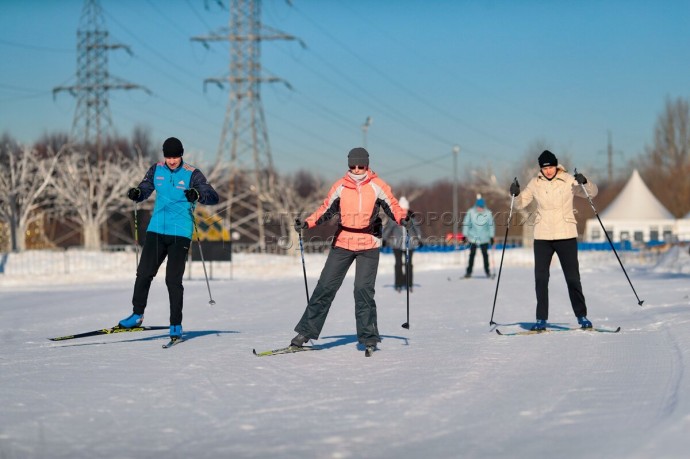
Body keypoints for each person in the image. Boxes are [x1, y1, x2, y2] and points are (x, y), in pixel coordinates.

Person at [291, 147, 411, 352]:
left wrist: (402, 218)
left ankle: (369, 336)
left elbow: (392, 205)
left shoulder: (377, 186)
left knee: (362, 290)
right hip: (343, 242)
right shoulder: (340, 186)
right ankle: (306, 331)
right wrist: (307, 223)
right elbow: (325, 208)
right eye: (352, 166)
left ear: (367, 165)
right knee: (325, 287)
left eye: (361, 166)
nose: (356, 170)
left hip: (369, 243)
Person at [118, 137, 219, 341]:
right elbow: (145, 188)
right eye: (168, 156)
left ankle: (175, 324)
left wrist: (197, 194)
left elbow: (213, 196)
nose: (172, 161)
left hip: (180, 233)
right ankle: (137, 314)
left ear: (181, 154)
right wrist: (137, 193)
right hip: (156, 229)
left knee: (172, 279)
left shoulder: (192, 174)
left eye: (175, 156)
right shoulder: (157, 169)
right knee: (144, 273)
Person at [510, 149, 598, 331]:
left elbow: (591, 193)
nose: (548, 171)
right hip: (542, 235)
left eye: (550, 167)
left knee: (573, 278)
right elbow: (520, 203)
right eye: (544, 168)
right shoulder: (535, 183)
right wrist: (515, 194)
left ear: (555, 165)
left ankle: (582, 316)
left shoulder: (567, 179)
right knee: (541, 278)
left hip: (566, 234)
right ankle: (541, 319)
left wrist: (585, 182)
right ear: (540, 168)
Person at [382, 196, 423, 292]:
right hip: (397, 245)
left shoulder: (411, 219)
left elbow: (417, 230)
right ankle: (398, 283)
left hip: (410, 245)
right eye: (402, 209)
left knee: (409, 264)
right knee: (398, 264)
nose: (404, 211)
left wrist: (419, 239)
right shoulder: (394, 219)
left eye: (405, 209)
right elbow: (388, 230)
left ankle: (409, 283)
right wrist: (384, 239)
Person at [462, 194, 495, 278]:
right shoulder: (471, 212)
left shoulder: (488, 213)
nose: (480, 208)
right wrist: (465, 235)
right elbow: (466, 223)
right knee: (472, 254)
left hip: (484, 237)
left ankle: (487, 271)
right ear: (476, 206)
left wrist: (491, 236)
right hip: (473, 237)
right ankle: (468, 272)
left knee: (485, 254)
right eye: (478, 206)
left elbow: (491, 225)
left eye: (481, 207)